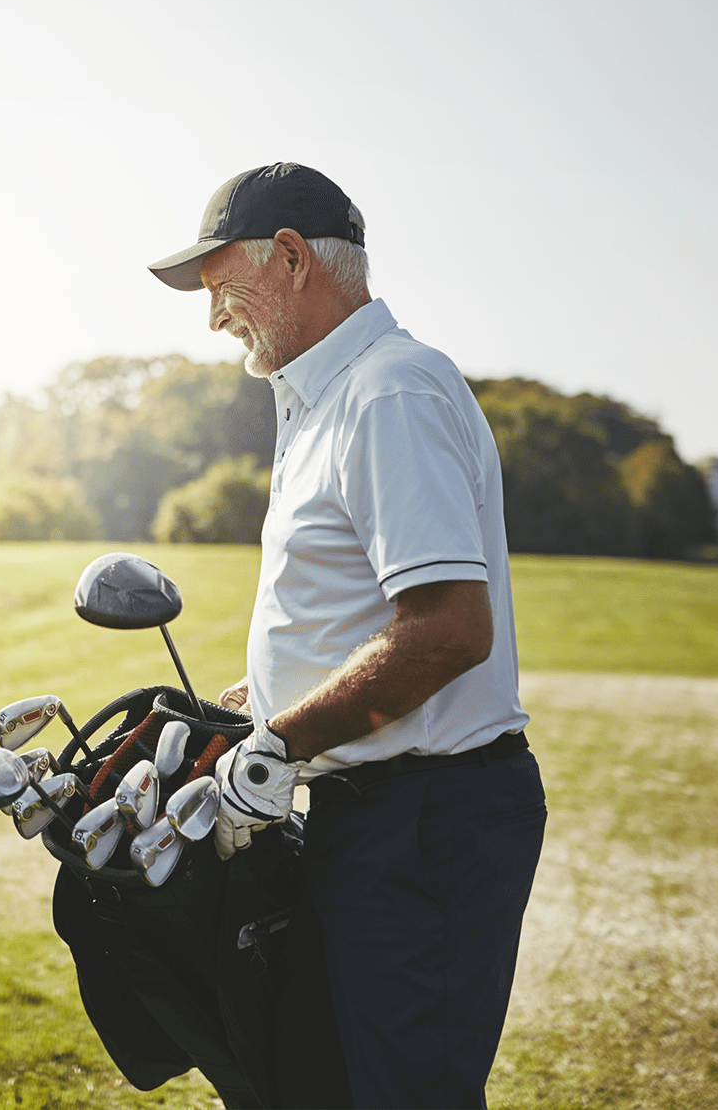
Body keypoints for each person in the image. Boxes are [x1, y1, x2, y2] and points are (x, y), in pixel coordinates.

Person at [146, 162, 545, 1110]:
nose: (213, 320)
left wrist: (280, 743)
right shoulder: (328, 398)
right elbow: (356, 619)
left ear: (289, 259)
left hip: (427, 827)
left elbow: (448, 629)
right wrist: (255, 706)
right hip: (370, 815)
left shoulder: (389, 392)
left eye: (220, 288)